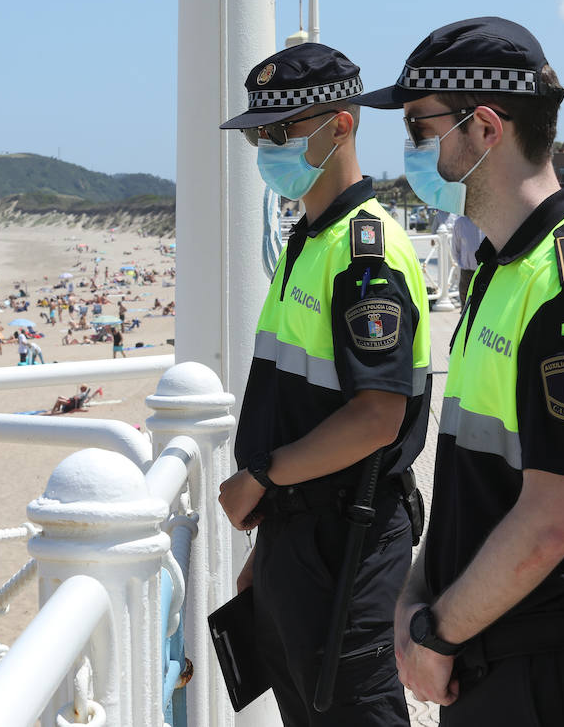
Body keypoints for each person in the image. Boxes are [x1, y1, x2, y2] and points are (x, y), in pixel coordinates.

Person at [353, 16, 564, 725]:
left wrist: (437, 631)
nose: (409, 149)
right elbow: (479, 481)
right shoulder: (505, 268)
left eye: (420, 127)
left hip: (553, 675)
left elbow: (552, 520)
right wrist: (413, 598)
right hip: (499, 658)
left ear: (485, 129)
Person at [216, 42, 432, 726]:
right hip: (297, 534)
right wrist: (269, 548)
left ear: (340, 123)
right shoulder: (310, 239)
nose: (266, 147)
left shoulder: (364, 252)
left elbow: (377, 417)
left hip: (349, 533)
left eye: (280, 131)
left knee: (352, 710)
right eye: (260, 133)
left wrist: (262, 476)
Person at [449, 214, 483, 305]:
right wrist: (463, 264)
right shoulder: (460, 222)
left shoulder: (486, 220)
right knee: (465, 304)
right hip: (467, 272)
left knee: (482, 304)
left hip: (484, 270)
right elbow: (455, 249)